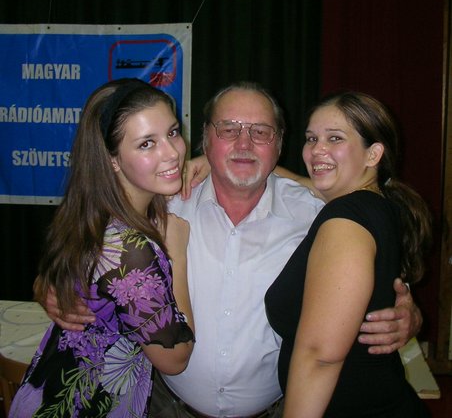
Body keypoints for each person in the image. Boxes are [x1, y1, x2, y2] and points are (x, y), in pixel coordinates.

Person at [43, 82, 421, 418]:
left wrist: (409, 312)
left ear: (280, 144)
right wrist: (50, 285)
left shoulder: (316, 215)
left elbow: (376, 272)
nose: (244, 144)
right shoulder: (162, 208)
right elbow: (88, 251)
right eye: (228, 130)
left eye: (261, 132)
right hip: (164, 406)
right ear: (205, 139)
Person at [9, 78, 195, 418]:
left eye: (172, 133)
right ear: (112, 160)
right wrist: (177, 254)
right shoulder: (130, 249)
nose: (172, 152)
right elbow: (175, 357)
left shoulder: (92, 213)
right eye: (146, 144)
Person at [265, 91, 432, 417]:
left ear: (373, 154)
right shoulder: (379, 206)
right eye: (311, 138)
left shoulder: (346, 218)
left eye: (335, 138)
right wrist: (210, 163)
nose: (317, 149)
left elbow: (320, 356)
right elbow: (301, 181)